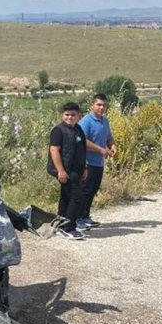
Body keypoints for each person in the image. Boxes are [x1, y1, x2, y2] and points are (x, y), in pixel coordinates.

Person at [47, 102, 88, 240]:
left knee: (66, 197)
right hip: (65, 171)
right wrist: (61, 171)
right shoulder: (58, 131)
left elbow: (82, 149)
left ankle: (60, 224)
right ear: (62, 115)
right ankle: (68, 227)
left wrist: (85, 168)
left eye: (73, 115)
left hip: (76, 170)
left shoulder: (78, 129)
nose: (69, 117)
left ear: (78, 116)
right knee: (76, 197)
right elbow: (54, 150)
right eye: (67, 114)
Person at [78, 93, 117, 231]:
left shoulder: (104, 121)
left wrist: (112, 145)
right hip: (87, 162)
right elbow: (82, 141)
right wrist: (100, 149)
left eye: (104, 105)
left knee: (93, 190)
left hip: (99, 162)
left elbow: (109, 137)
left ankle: (85, 216)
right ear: (92, 106)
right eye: (98, 105)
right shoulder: (86, 121)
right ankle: (78, 219)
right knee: (84, 190)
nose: (101, 107)